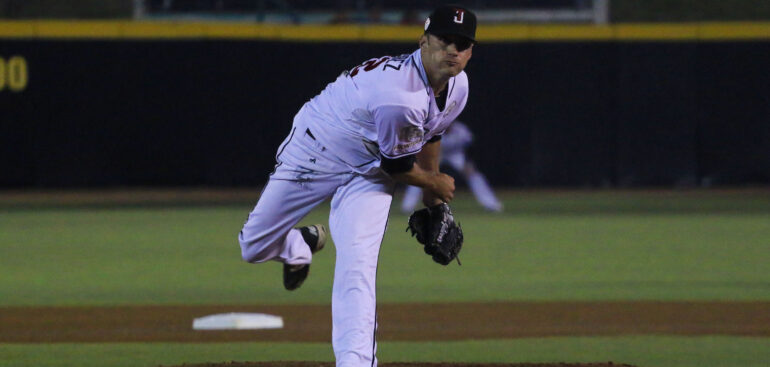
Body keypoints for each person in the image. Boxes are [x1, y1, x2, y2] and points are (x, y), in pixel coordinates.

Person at [238, 5, 476, 366]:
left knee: (357, 268)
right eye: (445, 41)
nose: (453, 51)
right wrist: (434, 182)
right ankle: (299, 246)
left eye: (463, 44)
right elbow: (397, 165)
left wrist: (434, 203)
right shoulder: (401, 95)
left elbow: (431, 135)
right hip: (318, 147)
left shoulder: (458, 86)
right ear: (423, 41)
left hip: (370, 171)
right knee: (253, 246)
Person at [400, 120, 503, 213]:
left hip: (455, 155)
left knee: (472, 174)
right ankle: (407, 205)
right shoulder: (433, 130)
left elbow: (471, 148)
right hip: (436, 154)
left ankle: (491, 204)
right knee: (420, 175)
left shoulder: (461, 130)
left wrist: (468, 163)